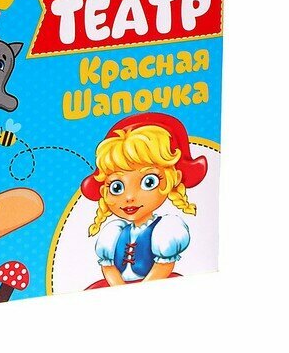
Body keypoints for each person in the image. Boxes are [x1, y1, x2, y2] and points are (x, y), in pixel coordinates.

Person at [80, 113, 208, 288]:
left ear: (174, 179)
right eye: (117, 187)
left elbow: (163, 267)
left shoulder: (166, 230)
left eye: (149, 182)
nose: (129, 197)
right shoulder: (114, 232)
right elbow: (108, 267)